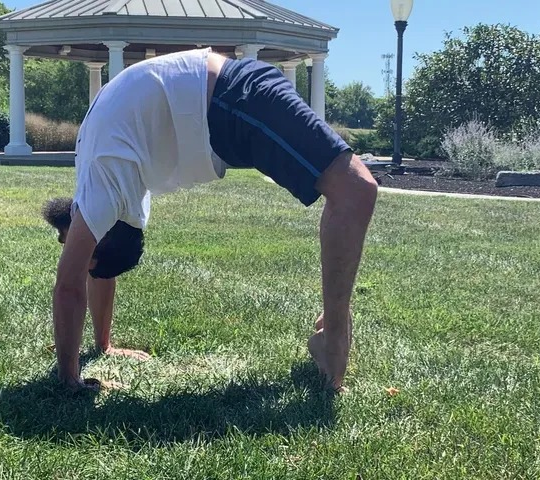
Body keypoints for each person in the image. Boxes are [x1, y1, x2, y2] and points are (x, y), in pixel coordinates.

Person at [49, 47, 378, 393]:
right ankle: (332, 325)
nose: (69, 245)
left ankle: (334, 335)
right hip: (226, 107)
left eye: (83, 252)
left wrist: (69, 380)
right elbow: (101, 268)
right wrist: (104, 346)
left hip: (234, 100)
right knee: (353, 190)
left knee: (356, 189)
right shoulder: (105, 183)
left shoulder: (104, 183)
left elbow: (69, 286)